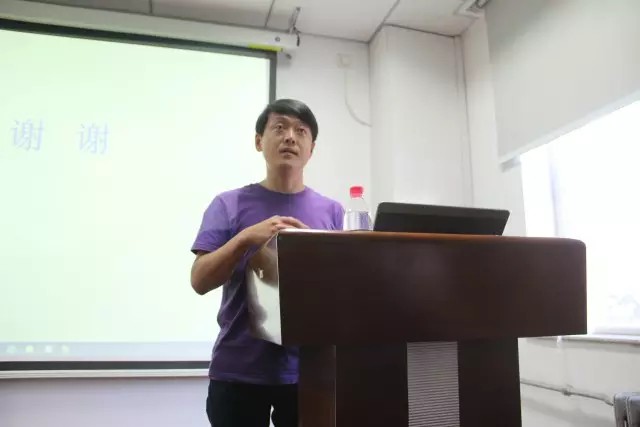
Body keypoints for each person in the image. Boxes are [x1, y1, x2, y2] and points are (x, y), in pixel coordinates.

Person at [190, 99, 344, 427]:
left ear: (311, 149)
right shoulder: (228, 204)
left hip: (309, 372)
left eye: (301, 131)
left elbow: (343, 289)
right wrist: (246, 238)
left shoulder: (332, 211)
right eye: (280, 127)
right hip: (238, 370)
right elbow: (199, 280)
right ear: (259, 141)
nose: (290, 137)